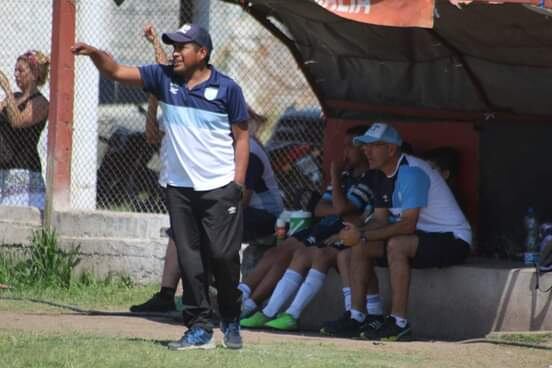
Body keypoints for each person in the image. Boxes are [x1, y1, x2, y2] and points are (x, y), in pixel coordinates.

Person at [72, 23, 249, 350]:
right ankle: (199, 328)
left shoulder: (227, 89)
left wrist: (237, 183)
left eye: (183, 46)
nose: (175, 52)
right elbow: (117, 72)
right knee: (189, 259)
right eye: (173, 46)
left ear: (202, 53)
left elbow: (241, 138)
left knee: (224, 257)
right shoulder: (164, 77)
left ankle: (230, 315)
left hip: (220, 186)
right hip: (178, 188)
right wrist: (96, 55)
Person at [322, 123, 472, 341]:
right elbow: (381, 220)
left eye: (373, 146)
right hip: (422, 237)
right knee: (353, 249)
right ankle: (357, 317)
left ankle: (398, 322)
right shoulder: (382, 174)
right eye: (365, 146)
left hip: (454, 240)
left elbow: (407, 225)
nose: (366, 151)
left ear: (391, 149)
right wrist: (352, 234)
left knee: (396, 244)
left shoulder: (412, 172)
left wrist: (362, 235)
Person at [239, 125, 374, 328]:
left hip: (339, 231)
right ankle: (244, 299)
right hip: (326, 225)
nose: (345, 152)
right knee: (276, 253)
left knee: (297, 254)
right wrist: (338, 207)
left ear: (365, 149)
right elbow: (320, 208)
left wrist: (335, 179)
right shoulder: (347, 177)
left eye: (351, 146)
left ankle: (256, 307)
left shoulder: (368, 179)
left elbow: (342, 208)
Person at [0, 50, 50, 209]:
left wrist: (6, 88)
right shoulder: (13, 97)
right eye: (15, 70)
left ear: (34, 74)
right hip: (4, 172)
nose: (15, 74)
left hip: (24, 176)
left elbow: (17, 121)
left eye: (20, 71)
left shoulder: (40, 103)